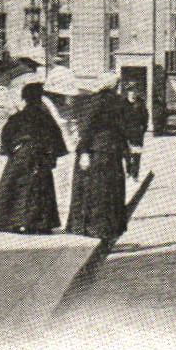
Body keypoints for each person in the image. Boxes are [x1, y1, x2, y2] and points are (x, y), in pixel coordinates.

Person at [0, 81, 68, 234]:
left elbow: (6, 135)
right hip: (40, 156)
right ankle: (39, 224)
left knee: (15, 187)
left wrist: (11, 151)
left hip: (21, 155)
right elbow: (55, 137)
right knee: (39, 189)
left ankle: (10, 221)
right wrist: (51, 157)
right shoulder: (46, 117)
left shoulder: (18, 116)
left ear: (24, 99)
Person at [65, 80, 133, 241]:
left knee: (90, 188)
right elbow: (127, 128)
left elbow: (87, 128)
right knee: (110, 190)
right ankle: (108, 228)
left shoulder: (93, 101)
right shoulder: (121, 102)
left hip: (95, 150)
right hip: (113, 150)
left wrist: (83, 151)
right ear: (116, 86)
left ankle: (87, 227)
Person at [122, 81, 149, 178]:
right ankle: (129, 170)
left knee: (137, 154)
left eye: (134, 90)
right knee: (126, 154)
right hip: (126, 133)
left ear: (137, 92)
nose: (132, 93)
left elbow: (145, 117)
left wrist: (143, 128)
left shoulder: (140, 103)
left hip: (137, 133)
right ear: (127, 92)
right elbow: (120, 118)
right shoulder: (123, 104)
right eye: (130, 91)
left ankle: (135, 174)